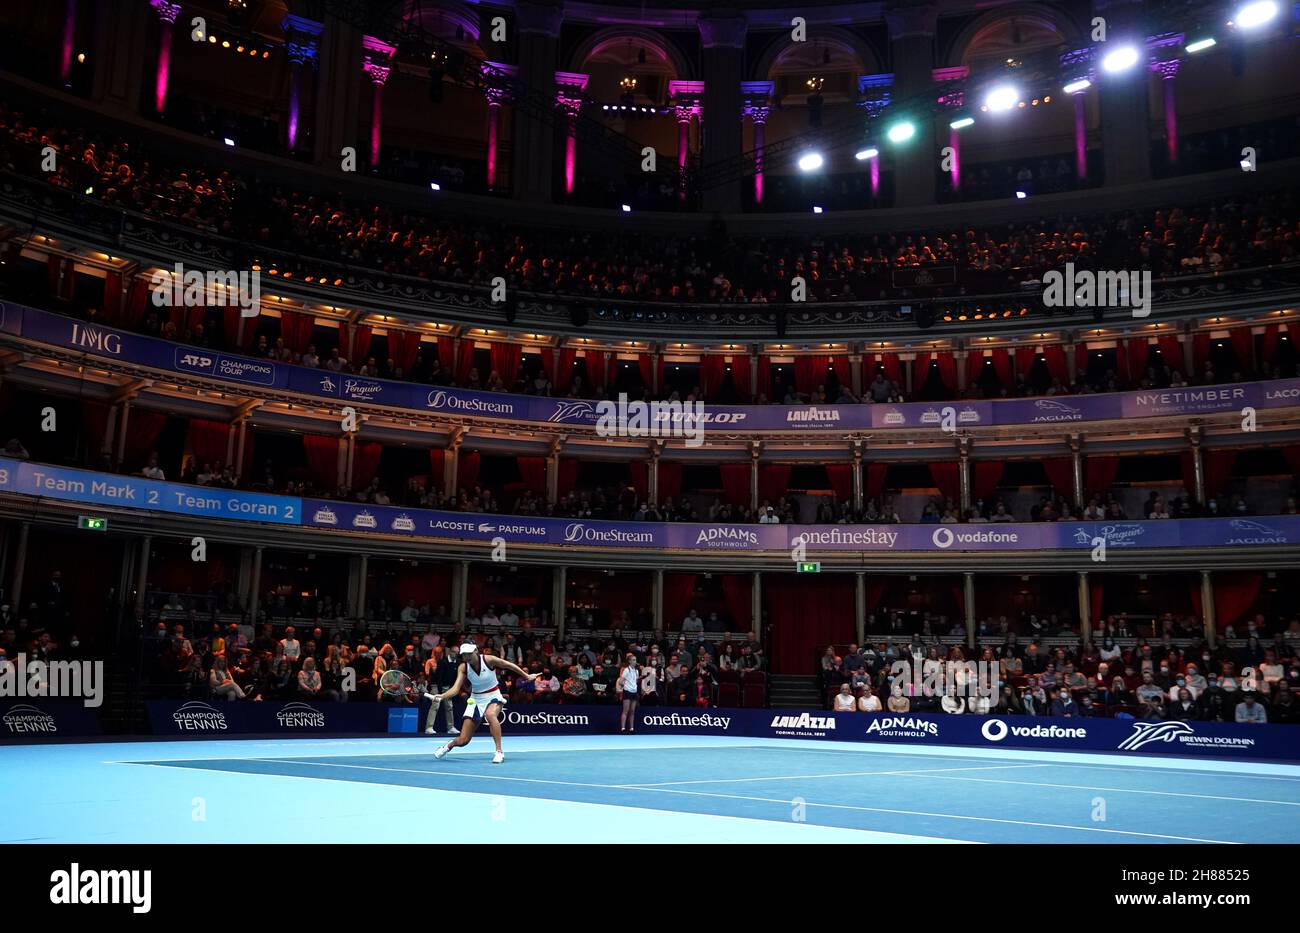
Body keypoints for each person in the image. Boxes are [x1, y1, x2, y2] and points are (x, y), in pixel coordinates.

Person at [429, 643, 540, 764]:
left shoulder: (489, 659)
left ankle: (499, 752)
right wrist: (443, 696)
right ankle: (448, 746)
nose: (467, 657)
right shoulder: (463, 667)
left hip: (493, 695)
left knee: (490, 715)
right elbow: (456, 688)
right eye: (464, 655)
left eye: (469, 654)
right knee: (463, 740)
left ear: (476, 651)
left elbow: (508, 665)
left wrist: (526, 676)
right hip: (476, 699)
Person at [618, 653, 640, 733]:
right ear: (629, 661)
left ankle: (631, 728)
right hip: (627, 691)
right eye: (633, 660)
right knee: (625, 711)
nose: (635, 661)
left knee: (632, 711)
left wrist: (633, 686)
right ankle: (623, 728)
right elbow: (620, 681)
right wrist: (626, 686)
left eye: (635, 660)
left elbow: (636, 681)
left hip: (634, 692)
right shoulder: (626, 670)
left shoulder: (637, 671)